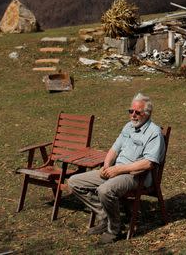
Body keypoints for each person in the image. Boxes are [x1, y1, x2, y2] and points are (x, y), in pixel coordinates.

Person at [67, 92, 164, 244]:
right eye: (130, 111)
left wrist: (117, 170)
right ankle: (105, 216)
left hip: (136, 175)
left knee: (105, 190)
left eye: (137, 112)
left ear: (147, 113)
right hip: (116, 170)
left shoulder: (154, 132)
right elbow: (114, 149)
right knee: (74, 182)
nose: (132, 115)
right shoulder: (128, 127)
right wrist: (106, 166)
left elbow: (148, 163)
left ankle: (114, 229)